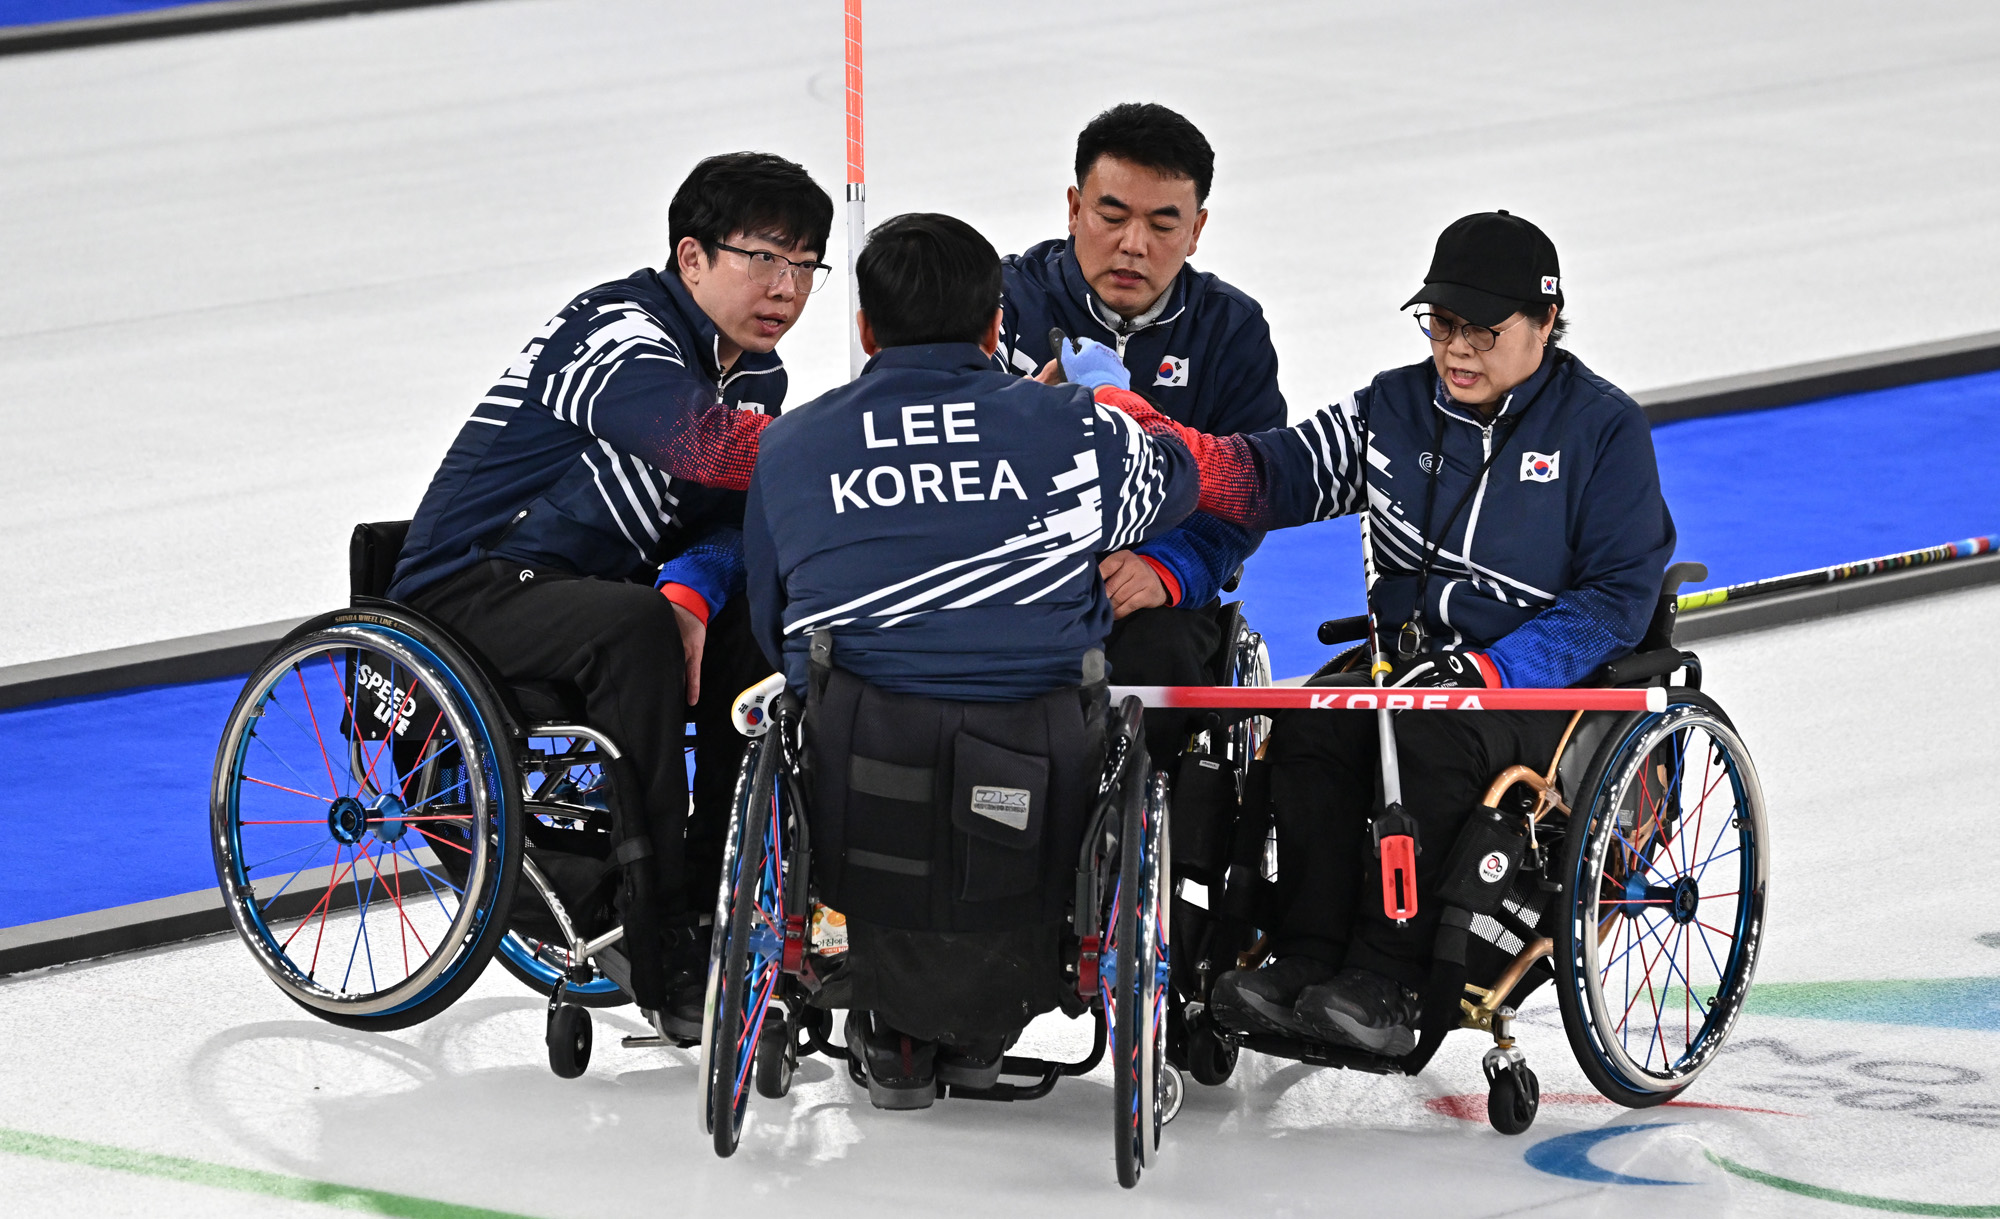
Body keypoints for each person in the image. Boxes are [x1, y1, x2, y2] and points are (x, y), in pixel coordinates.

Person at [1060, 210, 1676, 1056]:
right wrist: (1139, 424)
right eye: (1443, 325)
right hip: (1407, 662)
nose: (1457, 350)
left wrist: (1492, 672)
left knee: (1426, 732)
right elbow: (1265, 478)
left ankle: (1388, 982)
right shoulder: (1392, 407)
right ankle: (1307, 957)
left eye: (1482, 331)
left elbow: (1614, 603)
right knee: (1313, 728)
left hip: (1539, 684)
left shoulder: (1604, 430)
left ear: (1545, 323)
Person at [744, 212, 1196, 1107]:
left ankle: (897, 1019)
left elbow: (772, 620)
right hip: (1039, 773)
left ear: (867, 329)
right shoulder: (1075, 430)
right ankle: (980, 1012)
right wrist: (1106, 399)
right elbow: (1179, 477)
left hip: (856, 774)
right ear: (997, 327)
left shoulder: (790, 446)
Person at [387, 151, 833, 1038]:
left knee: (768, 618)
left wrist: (696, 591)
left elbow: (729, 521)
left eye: (805, 266)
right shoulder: (612, 332)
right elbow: (707, 451)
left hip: (589, 588)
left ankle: (724, 892)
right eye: (763, 259)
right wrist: (855, 436)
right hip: (471, 584)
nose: (785, 287)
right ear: (692, 257)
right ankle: (656, 920)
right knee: (635, 629)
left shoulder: (757, 375)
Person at [994, 102, 1286, 758]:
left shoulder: (1231, 331)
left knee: (1159, 662)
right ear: (1074, 207)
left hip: (1145, 593)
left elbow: (1253, 493)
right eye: (1112, 214)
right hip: (1007, 573)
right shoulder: (1007, 301)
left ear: (1198, 228)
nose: (1134, 244)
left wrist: (1171, 567)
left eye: (1162, 223)